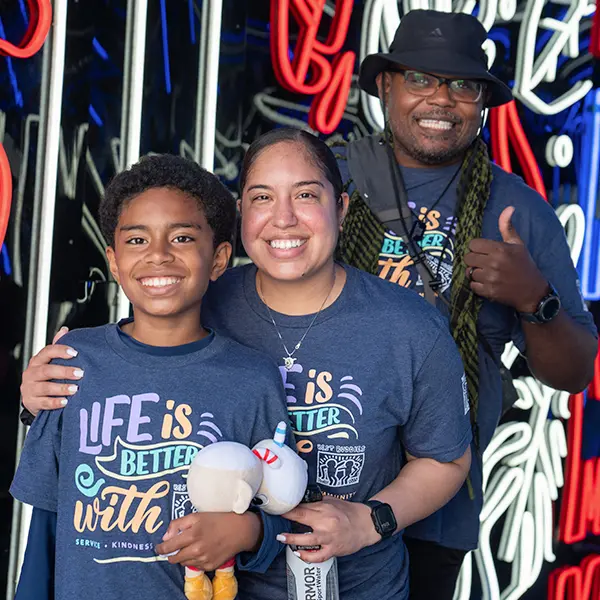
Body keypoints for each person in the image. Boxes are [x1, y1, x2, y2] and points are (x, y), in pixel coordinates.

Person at [19, 128, 472, 600]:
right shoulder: (196, 294)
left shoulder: (410, 328)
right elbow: (123, 374)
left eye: (305, 195)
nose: (284, 219)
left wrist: (372, 519)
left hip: (354, 586)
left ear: (341, 208)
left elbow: (447, 458)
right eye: (262, 197)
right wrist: (39, 397)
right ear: (241, 217)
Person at [332, 9, 598, 600]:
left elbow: (575, 372)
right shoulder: (326, 181)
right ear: (385, 86)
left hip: (434, 507)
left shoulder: (517, 209)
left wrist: (536, 298)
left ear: (481, 100)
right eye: (420, 79)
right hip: (305, 478)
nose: (442, 99)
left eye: (462, 84)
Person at [11, 154, 293, 600]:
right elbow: (47, 519)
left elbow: (280, 513)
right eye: (137, 240)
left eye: (181, 237)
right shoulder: (72, 360)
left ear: (219, 258)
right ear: (114, 261)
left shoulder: (252, 380)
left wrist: (249, 531)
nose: (158, 255)